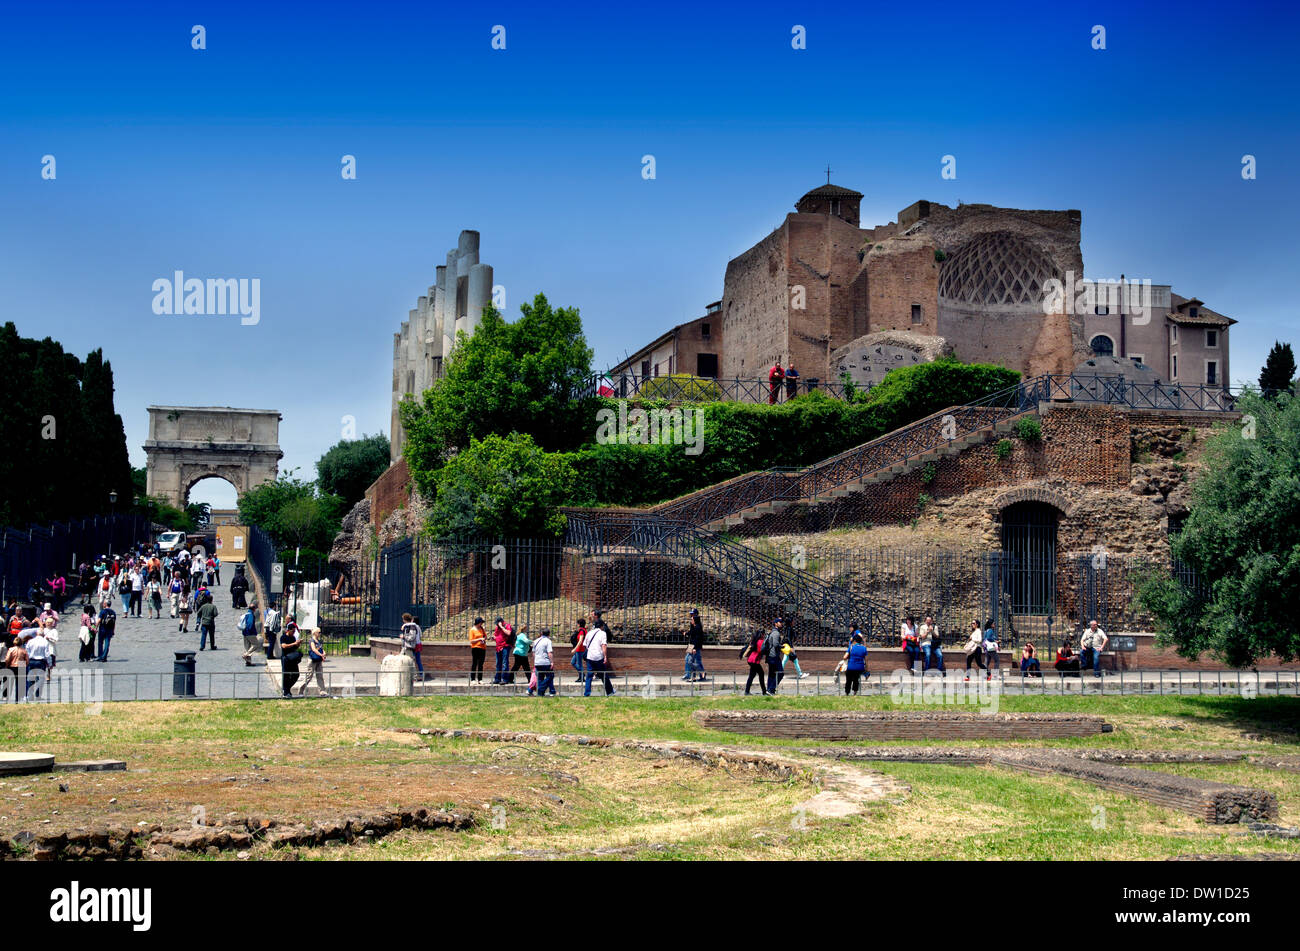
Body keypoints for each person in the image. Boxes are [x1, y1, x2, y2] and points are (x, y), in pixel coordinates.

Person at [583, 621, 615, 696]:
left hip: (590, 657)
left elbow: (585, 645)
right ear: (602, 626)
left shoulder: (589, 633)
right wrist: (605, 656)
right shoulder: (602, 633)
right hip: (599, 657)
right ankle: (609, 692)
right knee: (603, 675)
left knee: (589, 676)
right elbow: (603, 645)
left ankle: (587, 693)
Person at [297, 628, 328, 698]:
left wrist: (324, 653)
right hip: (313, 660)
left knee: (320, 676)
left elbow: (321, 648)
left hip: (319, 660)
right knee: (309, 676)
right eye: (319, 632)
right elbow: (313, 649)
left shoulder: (318, 641)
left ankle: (322, 691)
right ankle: (301, 689)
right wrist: (321, 655)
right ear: (315, 633)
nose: (320, 634)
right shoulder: (312, 640)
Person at [739, 629, 768, 696]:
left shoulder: (755, 640)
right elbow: (761, 650)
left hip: (751, 660)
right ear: (761, 634)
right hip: (754, 661)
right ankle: (764, 692)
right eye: (764, 634)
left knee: (752, 675)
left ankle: (747, 691)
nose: (764, 635)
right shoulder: (760, 641)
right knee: (761, 674)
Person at [683, 608, 707, 682]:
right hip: (691, 645)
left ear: (696, 615)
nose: (691, 616)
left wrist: (695, 648)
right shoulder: (693, 624)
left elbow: (697, 638)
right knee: (688, 659)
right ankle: (689, 675)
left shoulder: (698, 626)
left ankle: (702, 674)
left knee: (696, 661)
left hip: (695, 646)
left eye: (692, 614)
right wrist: (686, 633)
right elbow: (692, 633)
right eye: (691, 614)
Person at [279, 622, 302, 698]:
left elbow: (294, 648)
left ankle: (287, 689)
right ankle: (286, 692)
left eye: (294, 632)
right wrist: (294, 644)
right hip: (286, 658)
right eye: (293, 631)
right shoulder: (283, 637)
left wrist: (297, 644)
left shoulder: (293, 638)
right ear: (288, 630)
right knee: (286, 675)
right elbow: (284, 646)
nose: (293, 633)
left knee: (296, 674)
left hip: (293, 658)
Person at [532, 628, 556, 697]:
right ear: (549, 634)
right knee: (550, 676)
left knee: (540, 678)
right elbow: (549, 653)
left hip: (537, 662)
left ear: (542, 633)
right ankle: (540, 689)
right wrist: (551, 662)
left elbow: (533, 653)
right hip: (545, 662)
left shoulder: (536, 641)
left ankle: (540, 694)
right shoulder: (548, 641)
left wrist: (535, 661)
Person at [400, 613, 424, 680]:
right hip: (418, 644)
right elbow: (421, 635)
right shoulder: (417, 626)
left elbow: (412, 637)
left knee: (412, 660)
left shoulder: (412, 626)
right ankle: (421, 674)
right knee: (418, 660)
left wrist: (404, 636)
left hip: (413, 645)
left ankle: (415, 676)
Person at [765, 618, 786, 694]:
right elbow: (776, 644)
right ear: (775, 624)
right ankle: (771, 689)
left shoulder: (772, 632)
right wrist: (782, 647)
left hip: (770, 656)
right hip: (774, 656)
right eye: (779, 622)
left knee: (771, 674)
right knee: (780, 673)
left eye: (781, 622)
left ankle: (769, 690)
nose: (781, 623)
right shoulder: (776, 633)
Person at [491, 617, 512, 686]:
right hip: (498, 647)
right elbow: (496, 636)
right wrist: (494, 638)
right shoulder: (497, 628)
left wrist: (501, 627)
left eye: (497, 623)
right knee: (498, 664)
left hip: (505, 647)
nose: (496, 625)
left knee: (505, 663)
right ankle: (497, 678)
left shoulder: (507, 626)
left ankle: (505, 679)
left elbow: (509, 633)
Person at [468, 617, 487, 684]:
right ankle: (473, 679)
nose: (481, 624)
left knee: (481, 664)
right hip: (475, 648)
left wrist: (483, 639)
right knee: (474, 663)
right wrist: (479, 639)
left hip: (482, 647)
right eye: (481, 622)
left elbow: (485, 636)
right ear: (478, 623)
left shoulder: (482, 629)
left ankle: (480, 679)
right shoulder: (472, 630)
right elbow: (471, 641)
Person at [570, 617, 588, 684]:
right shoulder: (584, 630)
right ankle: (582, 675)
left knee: (579, 664)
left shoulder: (581, 631)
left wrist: (574, 649)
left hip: (580, 649)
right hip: (580, 649)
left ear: (579, 624)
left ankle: (581, 677)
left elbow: (580, 641)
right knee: (573, 662)